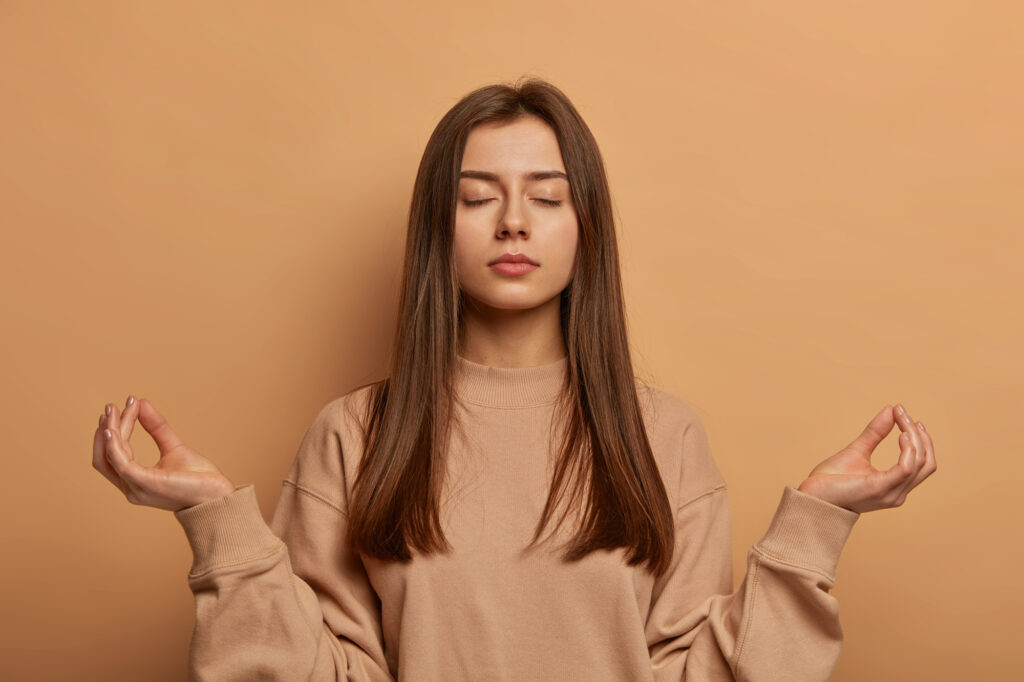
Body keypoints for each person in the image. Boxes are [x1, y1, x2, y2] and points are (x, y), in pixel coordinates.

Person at [92, 77, 937, 681]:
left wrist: (814, 528)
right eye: (475, 196)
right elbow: (312, 673)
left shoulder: (664, 434)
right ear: (438, 227)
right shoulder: (353, 435)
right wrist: (218, 526)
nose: (513, 222)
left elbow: (703, 673)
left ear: (585, 226)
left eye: (548, 195)